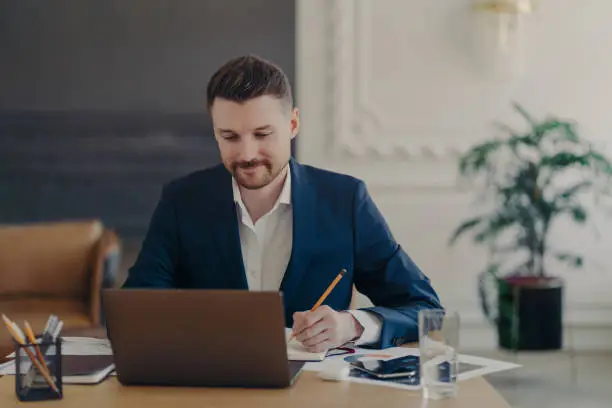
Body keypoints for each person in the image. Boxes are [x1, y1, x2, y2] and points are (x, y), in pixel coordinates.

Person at [122, 54, 443, 351]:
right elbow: (129, 313)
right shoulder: (182, 200)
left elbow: (425, 309)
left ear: (292, 125)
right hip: (210, 387)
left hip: (313, 390)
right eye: (230, 137)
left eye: (262, 134)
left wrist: (352, 326)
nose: (247, 154)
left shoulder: (345, 200)